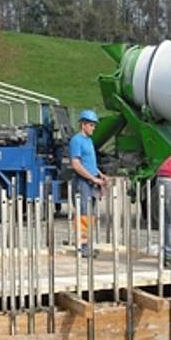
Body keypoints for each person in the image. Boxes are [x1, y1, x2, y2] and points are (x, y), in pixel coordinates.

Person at [69, 109, 108, 258]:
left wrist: (100, 174)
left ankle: (85, 245)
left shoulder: (89, 141)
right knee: (83, 215)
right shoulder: (76, 141)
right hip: (82, 183)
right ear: (83, 124)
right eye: (91, 125)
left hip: (90, 181)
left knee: (89, 216)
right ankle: (82, 247)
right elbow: (76, 164)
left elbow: (89, 163)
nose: (93, 128)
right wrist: (92, 179)